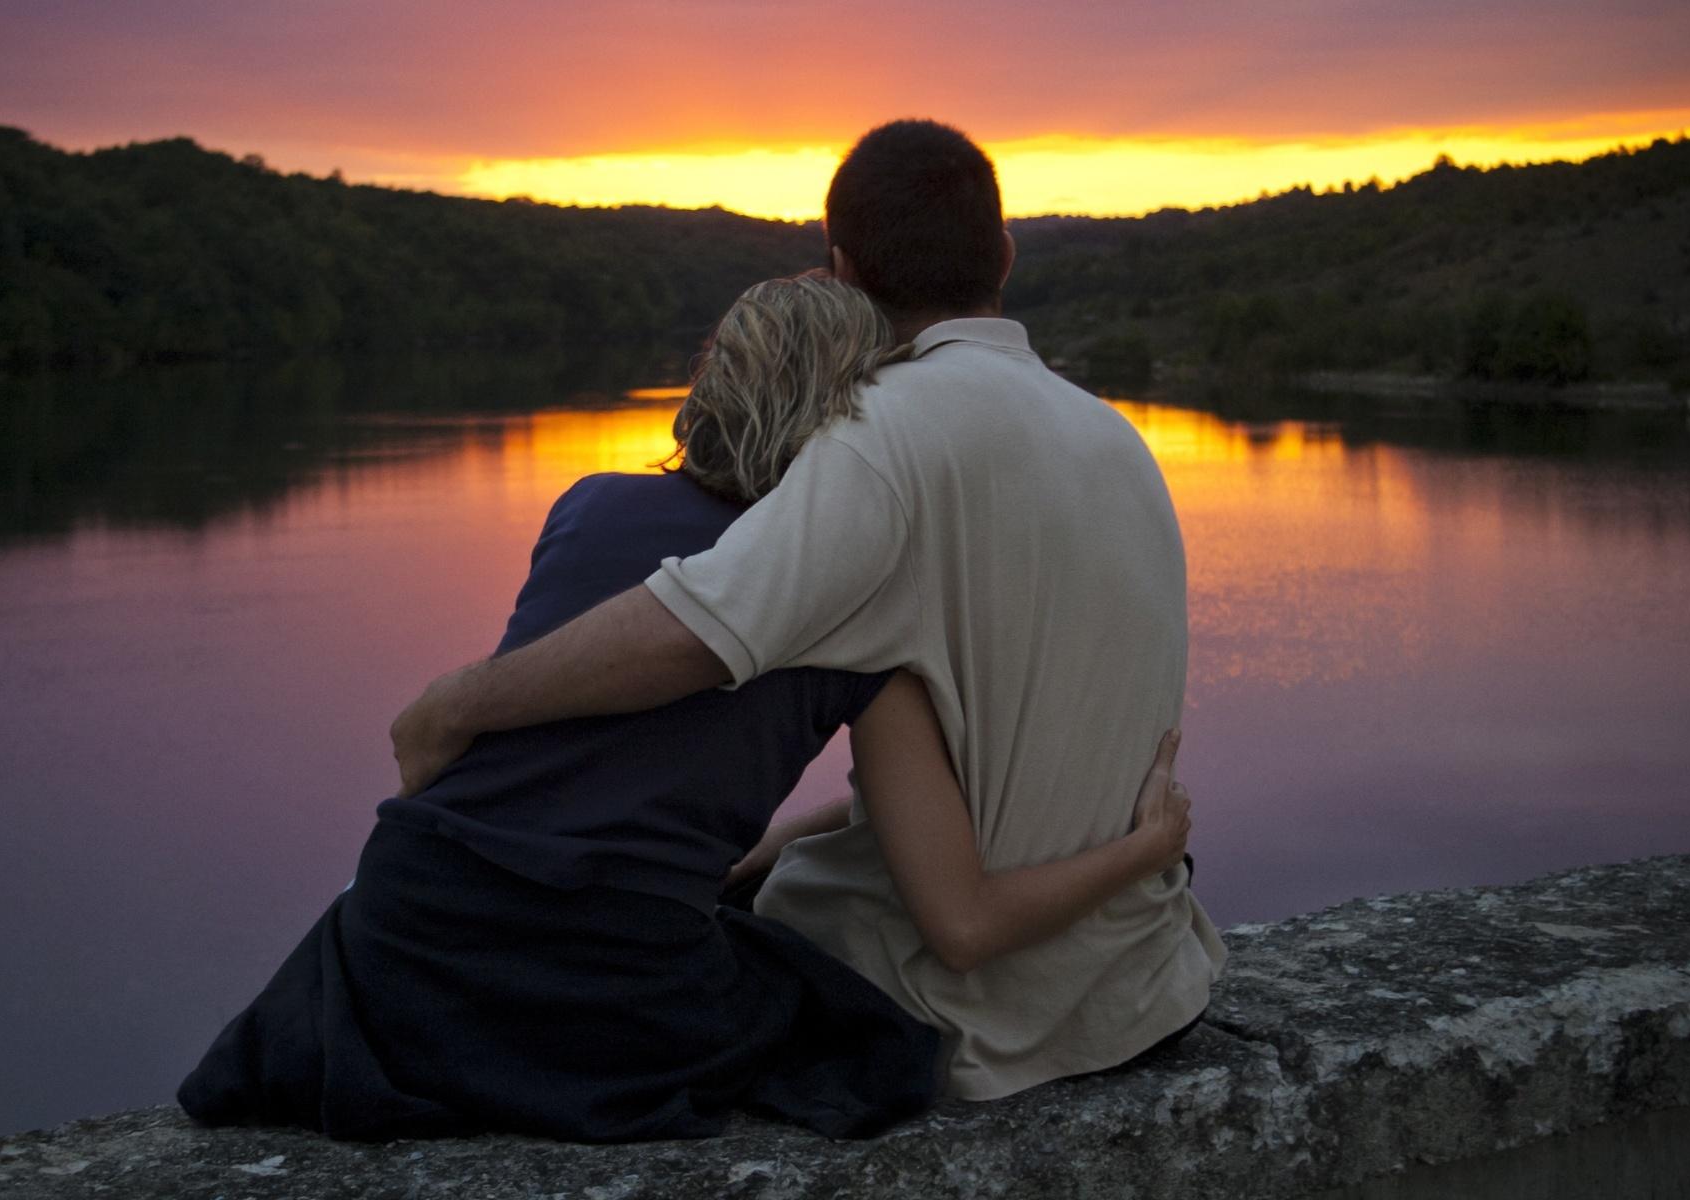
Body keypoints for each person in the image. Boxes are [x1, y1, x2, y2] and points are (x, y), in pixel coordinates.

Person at [179, 272, 1196, 1144]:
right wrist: (1145, 848)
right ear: (856, 415)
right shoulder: (855, 603)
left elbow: (604, 767)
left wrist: (745, 859)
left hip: (404, 927)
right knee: (864, 1036)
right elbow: (961, 917)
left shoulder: (586, 506)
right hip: (604, 977)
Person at [389, 119, 1230, 1101]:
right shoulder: (1117, 440)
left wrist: (457, 706)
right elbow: (984, 769)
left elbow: (694, 628)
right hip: (1142, 987)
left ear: (838, 268)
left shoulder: (883, 435)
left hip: (976, 1020)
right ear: (1002, 253)